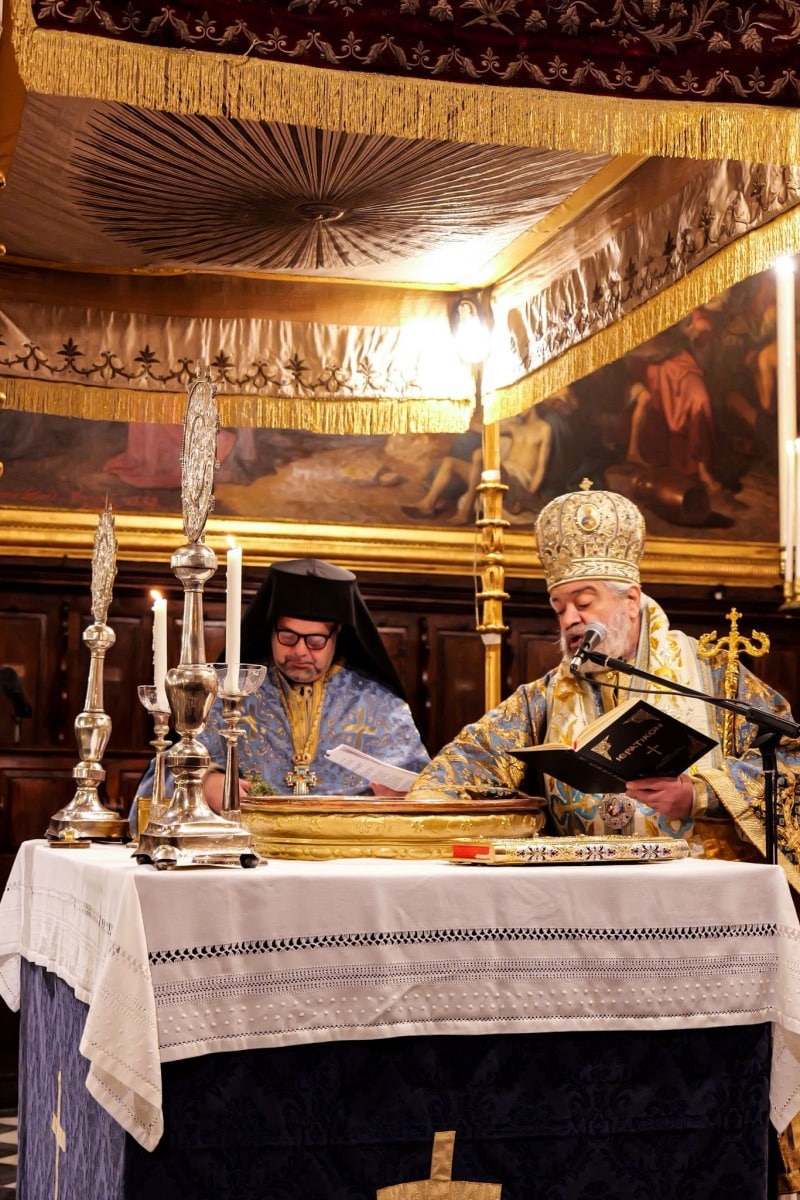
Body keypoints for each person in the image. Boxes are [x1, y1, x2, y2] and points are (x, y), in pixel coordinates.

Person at [407, 480, 800, 876]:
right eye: (559, 607)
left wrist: (703, 794)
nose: (569, 619)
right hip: (582, 890)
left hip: (701, 886)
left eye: (583, 602)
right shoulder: (544, 697)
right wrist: (417, 806)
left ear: (631, 600)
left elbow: (790, 757)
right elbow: (469, 762)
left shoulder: (712, 675)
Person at [133, 558, 430, 817]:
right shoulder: (231, 692)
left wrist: (405, 798)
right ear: (271, 628)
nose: (300, 651)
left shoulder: (380, 704)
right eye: (288, 637)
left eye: (315, 641)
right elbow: (158, 785)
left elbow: (427, 791)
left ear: (337, 633)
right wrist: (206, 782)